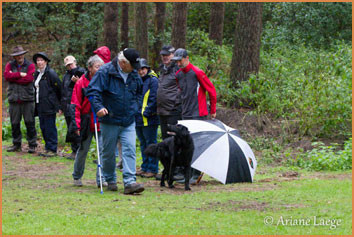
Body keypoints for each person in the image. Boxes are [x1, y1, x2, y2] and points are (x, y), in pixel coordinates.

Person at [86, 48, 145, 194]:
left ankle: (130, 182)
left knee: (130, 149)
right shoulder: (105, 72)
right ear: (123, 63)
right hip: (110, 120)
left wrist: (135, 108)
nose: (135, 69)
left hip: (128, 120)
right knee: (108, 153)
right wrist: (99, 107)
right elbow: (93, 91)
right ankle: (110, 178)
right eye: (133, 65)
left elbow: (139, 93)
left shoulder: (133, 74)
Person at [172, 48, 217, 183]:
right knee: (185, 144)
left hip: (199, 113)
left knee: (197, 144)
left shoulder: (197, 73)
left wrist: (213, 110)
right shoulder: (178, 74)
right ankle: (186, 172)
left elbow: (211, 90)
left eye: (180, 61)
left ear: (187, 58)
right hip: (185, 114)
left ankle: (196, 174)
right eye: (176, 61)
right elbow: (181, 93)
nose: (178, 63)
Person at [70, 55, 106, 187]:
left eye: (102, 67)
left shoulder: (104, 80)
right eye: (97, 67)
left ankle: (101, 179)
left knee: (102, 150)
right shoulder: (81, 83)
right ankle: (77, 176)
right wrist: (77, 125)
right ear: (90, 68)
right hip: (86, 120)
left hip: (101, 120)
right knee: (83, 149)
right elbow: (75, 105)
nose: (100, 69)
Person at [4, 46, 37, 153]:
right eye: (17, 55)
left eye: (21, 54)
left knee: (29, 122)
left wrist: (14, 78)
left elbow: (29, 79)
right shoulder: (9, 65)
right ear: (14, 57)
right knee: (14, 123)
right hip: (14, 99)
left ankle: (32, 145)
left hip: (27, 99)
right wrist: (20, 75)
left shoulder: (30, 65)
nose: (20, 56)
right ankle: (16, 144)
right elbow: (6, 76)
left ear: (24, 54)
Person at [33, 52, 62, 157]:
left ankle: (52, 149)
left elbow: (58, 88)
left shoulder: (51, 73)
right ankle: (47, 147)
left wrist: (58, 105)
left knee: (50, 126)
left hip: (49, 104)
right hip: (39, 104)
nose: (39, 62)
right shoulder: (37, 74)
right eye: (38, 60)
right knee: (43, 126)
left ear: (46, 61)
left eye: (41, 60)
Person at [135, 58, 159, 178]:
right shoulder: (138, 80)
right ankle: (144, 167)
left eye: (143, 69)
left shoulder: (153, 80)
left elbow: (154, 98)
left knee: (151, 143)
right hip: (138, 117)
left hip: (149, 118)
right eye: (139, 69)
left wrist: (147, 112)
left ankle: (153, 168)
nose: (141, 71)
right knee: (143, 143)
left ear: (147, 69)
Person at [61, 55, 85, 160]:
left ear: (75, 62)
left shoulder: (82, 72)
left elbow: (85, 88)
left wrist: (78, 82)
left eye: (71, 64)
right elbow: (64, 91)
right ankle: (74, 150)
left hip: (77, 105)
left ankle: (80, 151)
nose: (70, 67)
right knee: (70, 129)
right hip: (67, 105)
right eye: (68, 65)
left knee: (77, 128)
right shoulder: (66, 76)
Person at [156, 45, 181, 140]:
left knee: (173, 139)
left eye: (167, 55)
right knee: (165, 139)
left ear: (173, 55)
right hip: (162, 111)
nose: (164, 57)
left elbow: (182, 87)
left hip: (173, 111)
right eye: (163, 55)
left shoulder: (177, 69)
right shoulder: (162, 69)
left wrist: (176, 102)